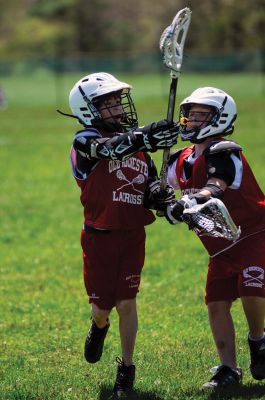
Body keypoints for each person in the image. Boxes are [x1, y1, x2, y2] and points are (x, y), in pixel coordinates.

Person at [64, 72, 177, 397]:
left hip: (132, 236)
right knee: (103, 308)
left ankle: (126, 369)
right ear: (89, 111)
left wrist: (161, 196)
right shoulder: (84, 140)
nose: (117, 109)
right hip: (100, 238)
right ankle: (99, 327)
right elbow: (109, 151)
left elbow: (151, 192)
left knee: (127, 302)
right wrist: (145, 135)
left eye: (117, 102)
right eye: (109, 104)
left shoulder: (138, 147)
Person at [161, 87, 265, 392]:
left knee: (251, 289)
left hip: (252, 235)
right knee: (216, 304)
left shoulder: (224, 150)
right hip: (218, 245)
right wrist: (161, 199)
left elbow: (216, 184)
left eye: (201, 116)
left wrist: (192, 201)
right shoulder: (179, 159)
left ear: (221, 118)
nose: (192, 121)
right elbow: (164, 192)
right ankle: (228, 368)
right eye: (190, 115)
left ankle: (258, 340)